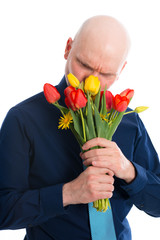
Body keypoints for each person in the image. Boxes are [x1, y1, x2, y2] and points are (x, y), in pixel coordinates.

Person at [0, 15, 160, 240]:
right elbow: (3, 210)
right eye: (84, 65)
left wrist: (129, 171)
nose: (91, 82)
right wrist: (68, 193)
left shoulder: (129, 120)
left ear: (121, 69)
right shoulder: (23, 119)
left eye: (106, 74)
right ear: (68, 49)